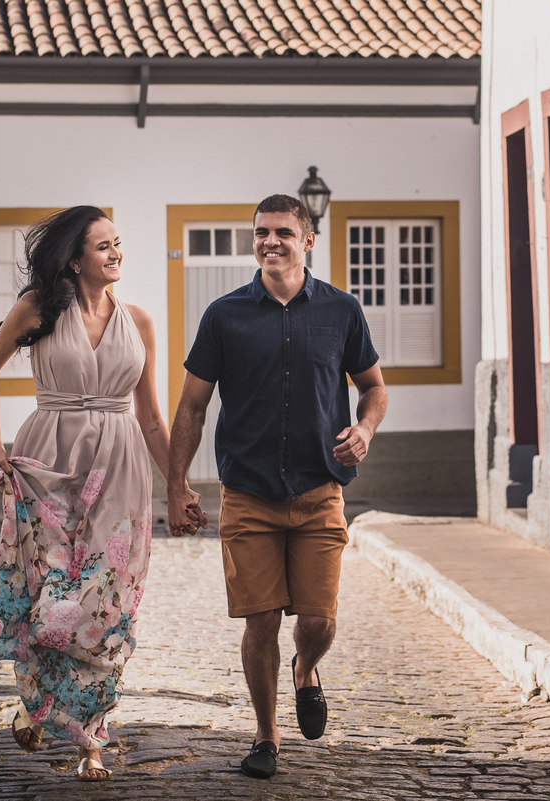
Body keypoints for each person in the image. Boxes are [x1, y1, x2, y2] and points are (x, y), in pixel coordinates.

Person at [0, 205, 204, 781]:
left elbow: (151, 418)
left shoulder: (139, 322)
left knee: (104, 600)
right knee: (48, 595)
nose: (116, 253)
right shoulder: (38, 310)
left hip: (120, 471)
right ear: (74, 261)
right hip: (50, 462)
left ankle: (90, 738)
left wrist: (177, 486)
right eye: (103, 246)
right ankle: (38, 699)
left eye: (117, 242)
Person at [167, 194, 388, 779]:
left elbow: (373, 387)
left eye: (283, 232)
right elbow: (192, 407)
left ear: (307, 240)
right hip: (249, 493)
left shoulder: (342, 310)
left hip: (319, 490)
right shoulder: (224, 315)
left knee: (317, 622)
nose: (271, 241)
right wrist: (176, 485)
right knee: (261, 620)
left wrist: (365, 429)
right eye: (262, 232)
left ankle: (305, 668)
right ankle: (267, 734)